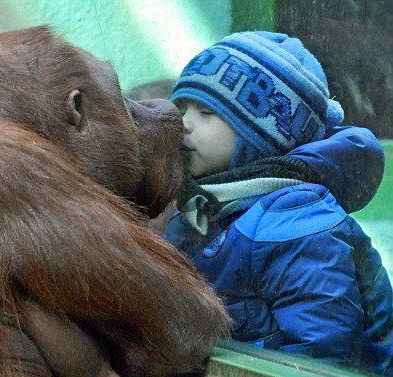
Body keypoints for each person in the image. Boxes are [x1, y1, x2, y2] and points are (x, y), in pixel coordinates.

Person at [163, 31, 393, 375]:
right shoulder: (206, 209)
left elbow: (321, 355)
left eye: (207, 111)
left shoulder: (296, 222)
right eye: (180, 107)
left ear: (265, 133)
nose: (183, 123)